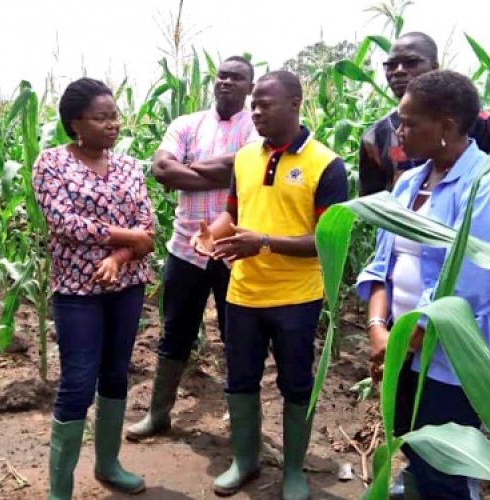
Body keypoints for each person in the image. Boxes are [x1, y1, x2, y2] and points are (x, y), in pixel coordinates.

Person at [356, 70, 490, 498]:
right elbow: (382, 265)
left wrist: (402, 342)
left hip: (453, 362)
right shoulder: (409, 183)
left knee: (446, 467)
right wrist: (379, 330)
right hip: (402, 349)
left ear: (447, 127)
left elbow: (468, 287)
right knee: (413, 442)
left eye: (410, 123)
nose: (400, 131)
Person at [191, 70, 348, 499]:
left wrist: (262, 243)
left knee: (296, 385)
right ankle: (245, 460)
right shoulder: (244, 158)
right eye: (254, 104)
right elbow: (233, 214)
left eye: (266, 104)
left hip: (296, 298)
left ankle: (294, 469)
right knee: (240, 380)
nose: (256, 111)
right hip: (242, 294)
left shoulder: (326, 165)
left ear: (296, 102)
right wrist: (213, 235)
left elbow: (326, 242)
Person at [33, 77, 155, 499]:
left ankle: (108, 464)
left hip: (127, 285)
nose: (112, 125)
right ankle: (59, 489)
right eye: (101, 118)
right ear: (74, 123)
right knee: (79, 380)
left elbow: (147, 230)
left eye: (115, 116)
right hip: (76, 290)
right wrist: (126, 239)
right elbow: (63, 223)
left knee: (116, 374)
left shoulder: (128, 166)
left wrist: (118, 257)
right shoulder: (51, 163)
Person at [126, 56, 259, 441]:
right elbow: (161, 169)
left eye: (237, 78)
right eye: (222, 75)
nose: (226, 82)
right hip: (186, 248)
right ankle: (158, 414)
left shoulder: (257, 127)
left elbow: (243, 169)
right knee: (175, 332)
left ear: (250, 87)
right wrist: (221, 171)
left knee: (237, 337)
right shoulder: (186, 123)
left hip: (235, 249)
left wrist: (189, 168)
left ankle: (241, 425)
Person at [359, 32, 490, 196]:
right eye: (391, 65)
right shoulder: (375, 137)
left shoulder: (476, 122)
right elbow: (370, 206)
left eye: (411, 63)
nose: (398, 71)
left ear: (434, 68)